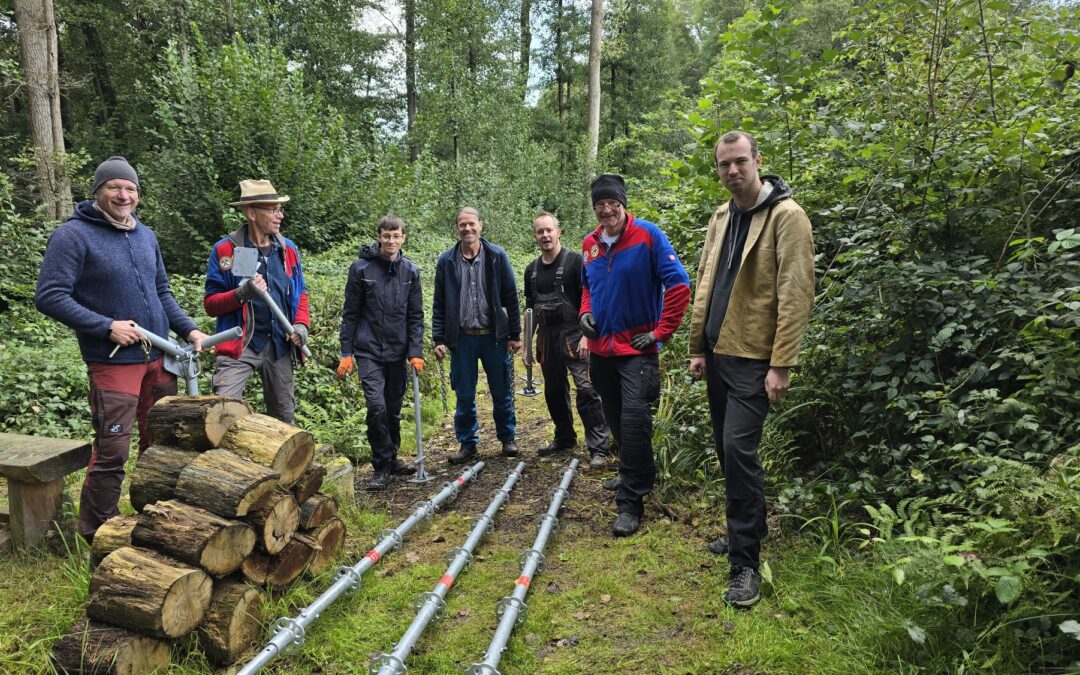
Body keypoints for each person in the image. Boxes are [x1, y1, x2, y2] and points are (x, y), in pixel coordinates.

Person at [35, 156, 207, 544]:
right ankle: (97, 531)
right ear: (98, 191)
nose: (123, 194)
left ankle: (154, 519)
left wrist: (189, 328)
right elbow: (49, 296)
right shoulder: (73, 236)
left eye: (130, 189)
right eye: (115, 187)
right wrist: (105, 326)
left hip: (159, 358)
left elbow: (162, 292)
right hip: (113, 362)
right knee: (113, 449)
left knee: (160, 443)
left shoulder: (145, 235)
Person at [688, 130, 815, 608]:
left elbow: (796, 293)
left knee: (738, 452)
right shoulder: (721, 215)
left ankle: (745, 563)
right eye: (724, 165)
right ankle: (750, 527)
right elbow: (706, 281)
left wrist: (782, 363)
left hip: (756, 359)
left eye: (740, 162)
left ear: (758, 161)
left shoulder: (787, 217)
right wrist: (698, 346)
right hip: (719, 353)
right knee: (728, 451)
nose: (732, 171)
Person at [579, 174, 690, 537]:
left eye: (612, 203)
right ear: (594, 208)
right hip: (600, 352)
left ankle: (631, 501)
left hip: (636, 350)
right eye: (600, 205)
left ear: (623, 204)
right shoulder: (590, 245)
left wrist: (661, 332)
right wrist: (585, 314)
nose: (606, 210)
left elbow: (678, 284)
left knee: (633, 421)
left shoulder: (648, 236)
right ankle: (633, 472)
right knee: (614, 418)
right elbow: (587, 286)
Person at [204, 179, 310, 424]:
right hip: (240, 345)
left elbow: (301, 293)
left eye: (279, 209)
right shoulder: (226, 250)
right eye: (273, 210)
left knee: (284, 420)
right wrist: (242, 295)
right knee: (223, 415)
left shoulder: (287, 249)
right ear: (251, 213)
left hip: (279, 345)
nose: (279, 216)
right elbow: (211, 304)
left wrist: (301, 326)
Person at [336, 216, 425, 490]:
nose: (391, 241)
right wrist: (346, 351)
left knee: (393, 410)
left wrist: (415, 351)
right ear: (379, 237)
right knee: (376, 407)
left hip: (398, 352)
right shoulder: (361, 269)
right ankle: (381, 464)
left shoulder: (410, 272)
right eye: (386, 236)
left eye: (396, 235)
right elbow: (350, 313)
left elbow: (415, 316)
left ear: (403, 238)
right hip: (368, 350)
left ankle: (393, 457)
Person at [432, 207, 522, 463]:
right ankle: (467, 444)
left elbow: (510, 297)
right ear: (457, 228)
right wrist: (439, 338)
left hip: (494, 336)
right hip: (461, 338)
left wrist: (514, 334)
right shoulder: (446, 261)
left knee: (501, 389)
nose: (467, 229)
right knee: (464, 393)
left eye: (472, 224)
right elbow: (439, 303)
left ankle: (508, 438)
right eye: (462, 225)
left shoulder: (496, 256)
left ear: (481, 225)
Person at [523, 212, 610, 468]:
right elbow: (529, 310)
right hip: (547, 338)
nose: (545, 235)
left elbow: (591, 296)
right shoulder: (532, 270)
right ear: (535, 236)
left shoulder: (575, 262)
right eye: (540, 232)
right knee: (553, 391)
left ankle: (599, 447)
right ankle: (564, 438)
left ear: (558, 232)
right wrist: (527, 345)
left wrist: (587, 335)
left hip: (574, 334)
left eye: (549, 230)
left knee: (587, 389)